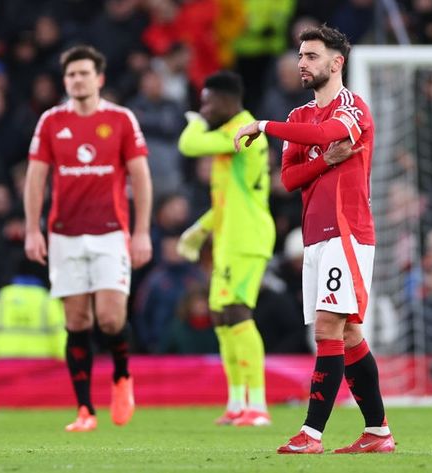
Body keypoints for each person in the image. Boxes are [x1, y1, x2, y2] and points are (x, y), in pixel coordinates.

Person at [234, 25, 395, 454]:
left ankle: (312, 434)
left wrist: (264, 125)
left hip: (347, 230)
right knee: (349, 336)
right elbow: (288, 179)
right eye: (301, 56)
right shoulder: (297, 117)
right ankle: (378, 432)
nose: (301, 63)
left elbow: (328, 134)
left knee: (328, 328)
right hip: (315, 236)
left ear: (335, 62)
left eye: (311, 56)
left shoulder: (353, 109)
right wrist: (324, 161)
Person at [24, 45, 152, 432]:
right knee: (76, 321)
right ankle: (84, 410)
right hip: (64, 235)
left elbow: (141, 177)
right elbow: (36, 178)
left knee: (111, 319)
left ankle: (121, 377)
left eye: (83, 73)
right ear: (65, 81)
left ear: (99, 78)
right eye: (70, 75)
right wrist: (33, 228)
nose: (77, 80)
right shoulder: (50, 121)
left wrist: (142, 231)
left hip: (110, 233)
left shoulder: (120, 119)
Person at [175, 71, 276, 427]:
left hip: (248, 237)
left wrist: (196, 120)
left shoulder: (242, 130)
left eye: (209, 101)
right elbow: (225, 202)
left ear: (229, 102)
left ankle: (258, 405)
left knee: (236, 312)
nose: (205, 107)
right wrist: (198, 231)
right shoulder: (229, 134)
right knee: (220, 317)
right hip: (229, 237)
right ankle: (237, 402)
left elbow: (188, 145)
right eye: (202, 102)